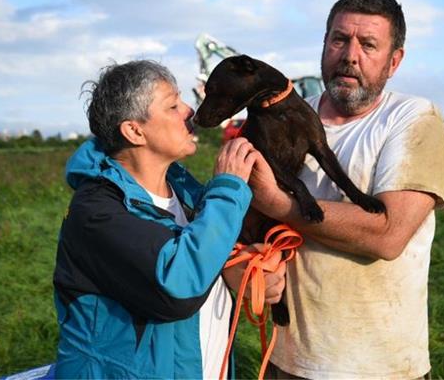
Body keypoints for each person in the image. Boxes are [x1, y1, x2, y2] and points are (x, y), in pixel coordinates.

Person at [245, 0, 444, 380]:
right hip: (288, 362)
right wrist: (254, 262)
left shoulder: (412, 119)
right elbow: (250, 221)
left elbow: (388, 233)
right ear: (324, 45)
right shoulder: (286, 117)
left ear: (394, 61)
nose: (350, 55)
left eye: (368, 44)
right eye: (339, 40)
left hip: (380, 366)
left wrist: (278, 203)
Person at [52, 60, 285, 379]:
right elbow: (178, 288)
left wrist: (235, 269)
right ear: (134, 130)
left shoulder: (185, 192)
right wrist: (229, 189)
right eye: (173, 105)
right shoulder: (96, 212)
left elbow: (202, 255)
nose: (189, 110)